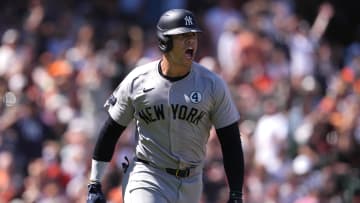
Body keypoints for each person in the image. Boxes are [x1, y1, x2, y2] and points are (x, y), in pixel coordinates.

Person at [86, 9, 245, 203]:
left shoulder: (212, 84)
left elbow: (230, 142)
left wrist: (236, 193)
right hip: (147, 174)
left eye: (193, 36)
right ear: (164, 42)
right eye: (183, 36)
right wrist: (95, 182)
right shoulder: (138, 80)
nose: (191, 42)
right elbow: (111, 130)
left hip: (191, 182)